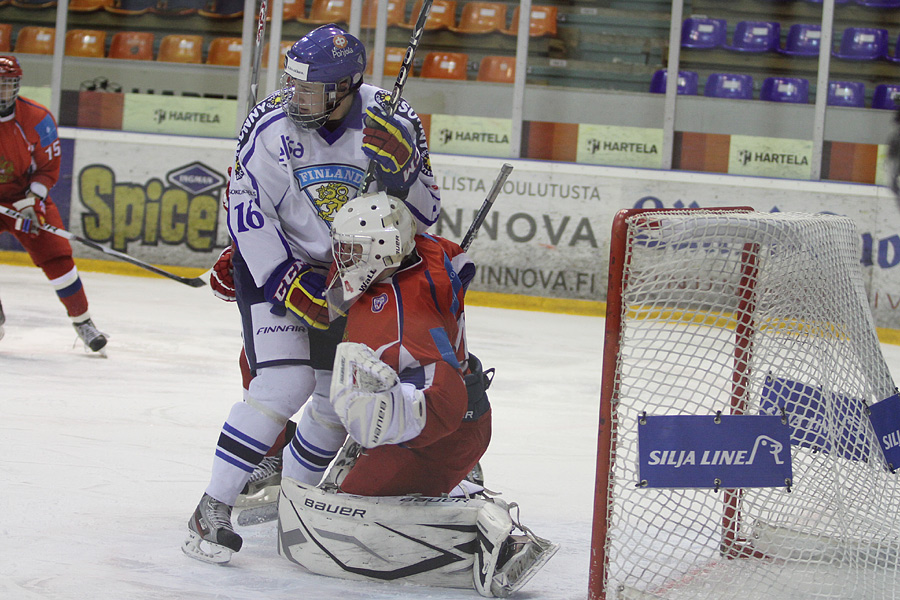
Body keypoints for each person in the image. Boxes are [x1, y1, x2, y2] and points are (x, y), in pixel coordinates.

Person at [183, 24, 440, 564]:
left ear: (346, 86)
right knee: (285, 381)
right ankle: (211, 509)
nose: (295, 97)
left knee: (332, 400)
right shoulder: (272, 123)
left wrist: (404, 171)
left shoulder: (396, 120)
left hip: (351, 274)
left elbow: (426, 214)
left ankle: (294, 505)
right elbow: (247, 210)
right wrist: (283, 281)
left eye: (310, 90)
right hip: (276, 261)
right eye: (293, 84)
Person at [276, 193, 557, 598]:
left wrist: (382, 417)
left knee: (353, 506)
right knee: (345, 479)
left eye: (353, 250)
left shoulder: (401, 323)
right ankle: (455, 479)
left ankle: (496, 536)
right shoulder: (431, 252)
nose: (343, 258)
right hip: (467, 411)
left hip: (444, 434)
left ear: (385, 249)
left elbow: (446, 401)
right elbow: (461, 264)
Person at [0, 56, 106, 353]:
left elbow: (48, 168)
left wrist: (33, 199)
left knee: (58, 258)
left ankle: (83, 322)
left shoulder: (37, 119)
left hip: (25, 200)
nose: (0, 92)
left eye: (6, 85)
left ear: (16, 86)